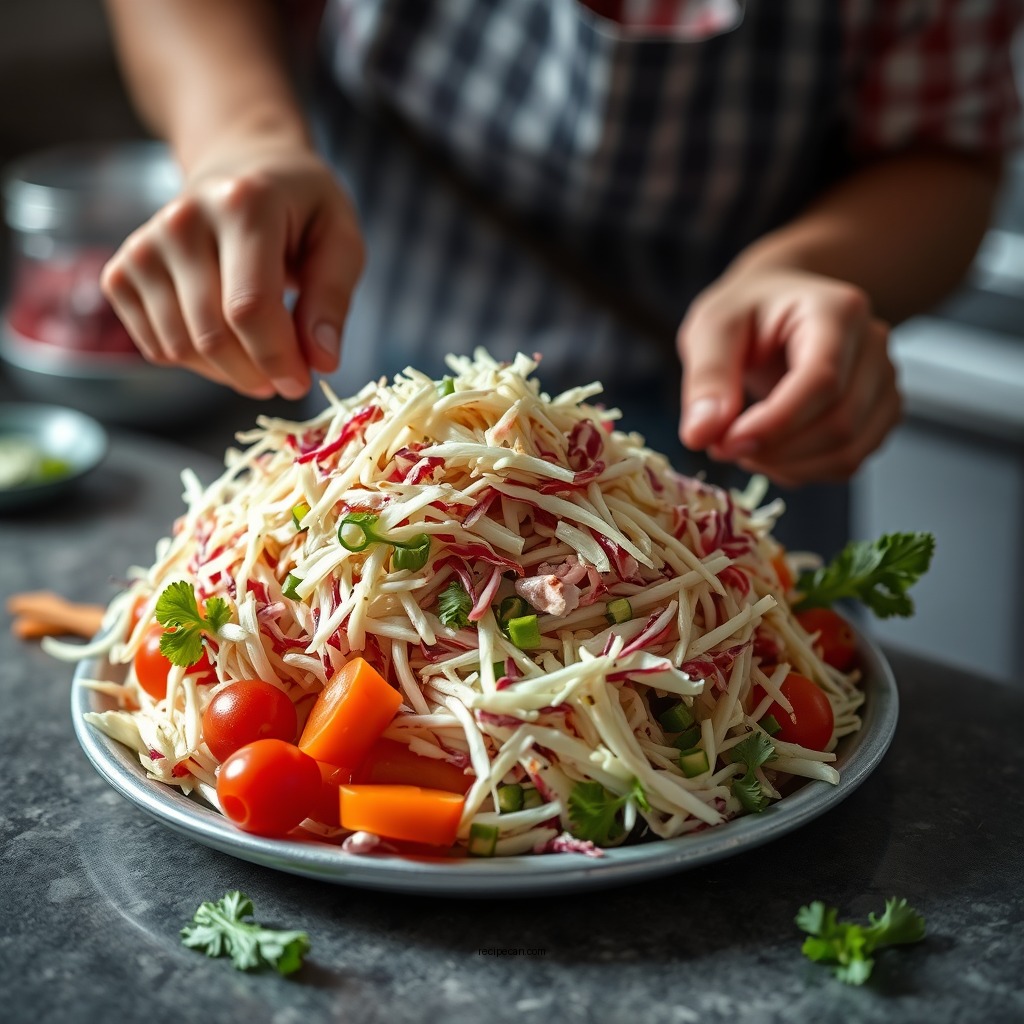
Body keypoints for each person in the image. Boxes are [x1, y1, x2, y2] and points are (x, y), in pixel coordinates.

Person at [98, 0, 1021, 498]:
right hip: (371, 401)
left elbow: (944, 149)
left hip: (746, 433)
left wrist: (818, 269)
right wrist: (243, 140)